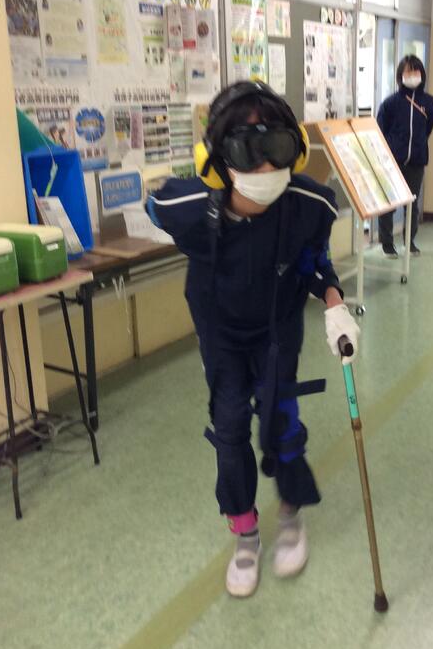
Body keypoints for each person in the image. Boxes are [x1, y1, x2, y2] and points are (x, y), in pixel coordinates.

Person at [146, 81, 360, 598]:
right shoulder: (190, 208)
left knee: (281, 424)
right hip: (221, 335)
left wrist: (335, 304)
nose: (265, 167)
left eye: (277, 148)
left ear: (295, 150)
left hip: (277, 330)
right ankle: (245, 533)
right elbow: (154, 204)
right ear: (219, 160)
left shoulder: (308, 204)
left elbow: (314, 262)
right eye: (247, 150)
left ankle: (290, 514)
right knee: (230, 428)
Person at [376, 55, 433, 257]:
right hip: (393, 162)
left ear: (422, 74)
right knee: (389, 203)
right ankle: (387, 243)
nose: (412, 75)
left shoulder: (429, 102)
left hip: (417, 162)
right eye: (408, 71)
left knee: (412, 204)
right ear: (400, 75)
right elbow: (380, 131)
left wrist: (417, 146)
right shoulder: (390, 103)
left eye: (415, 70)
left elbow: (428, 129)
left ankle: (409, 241)